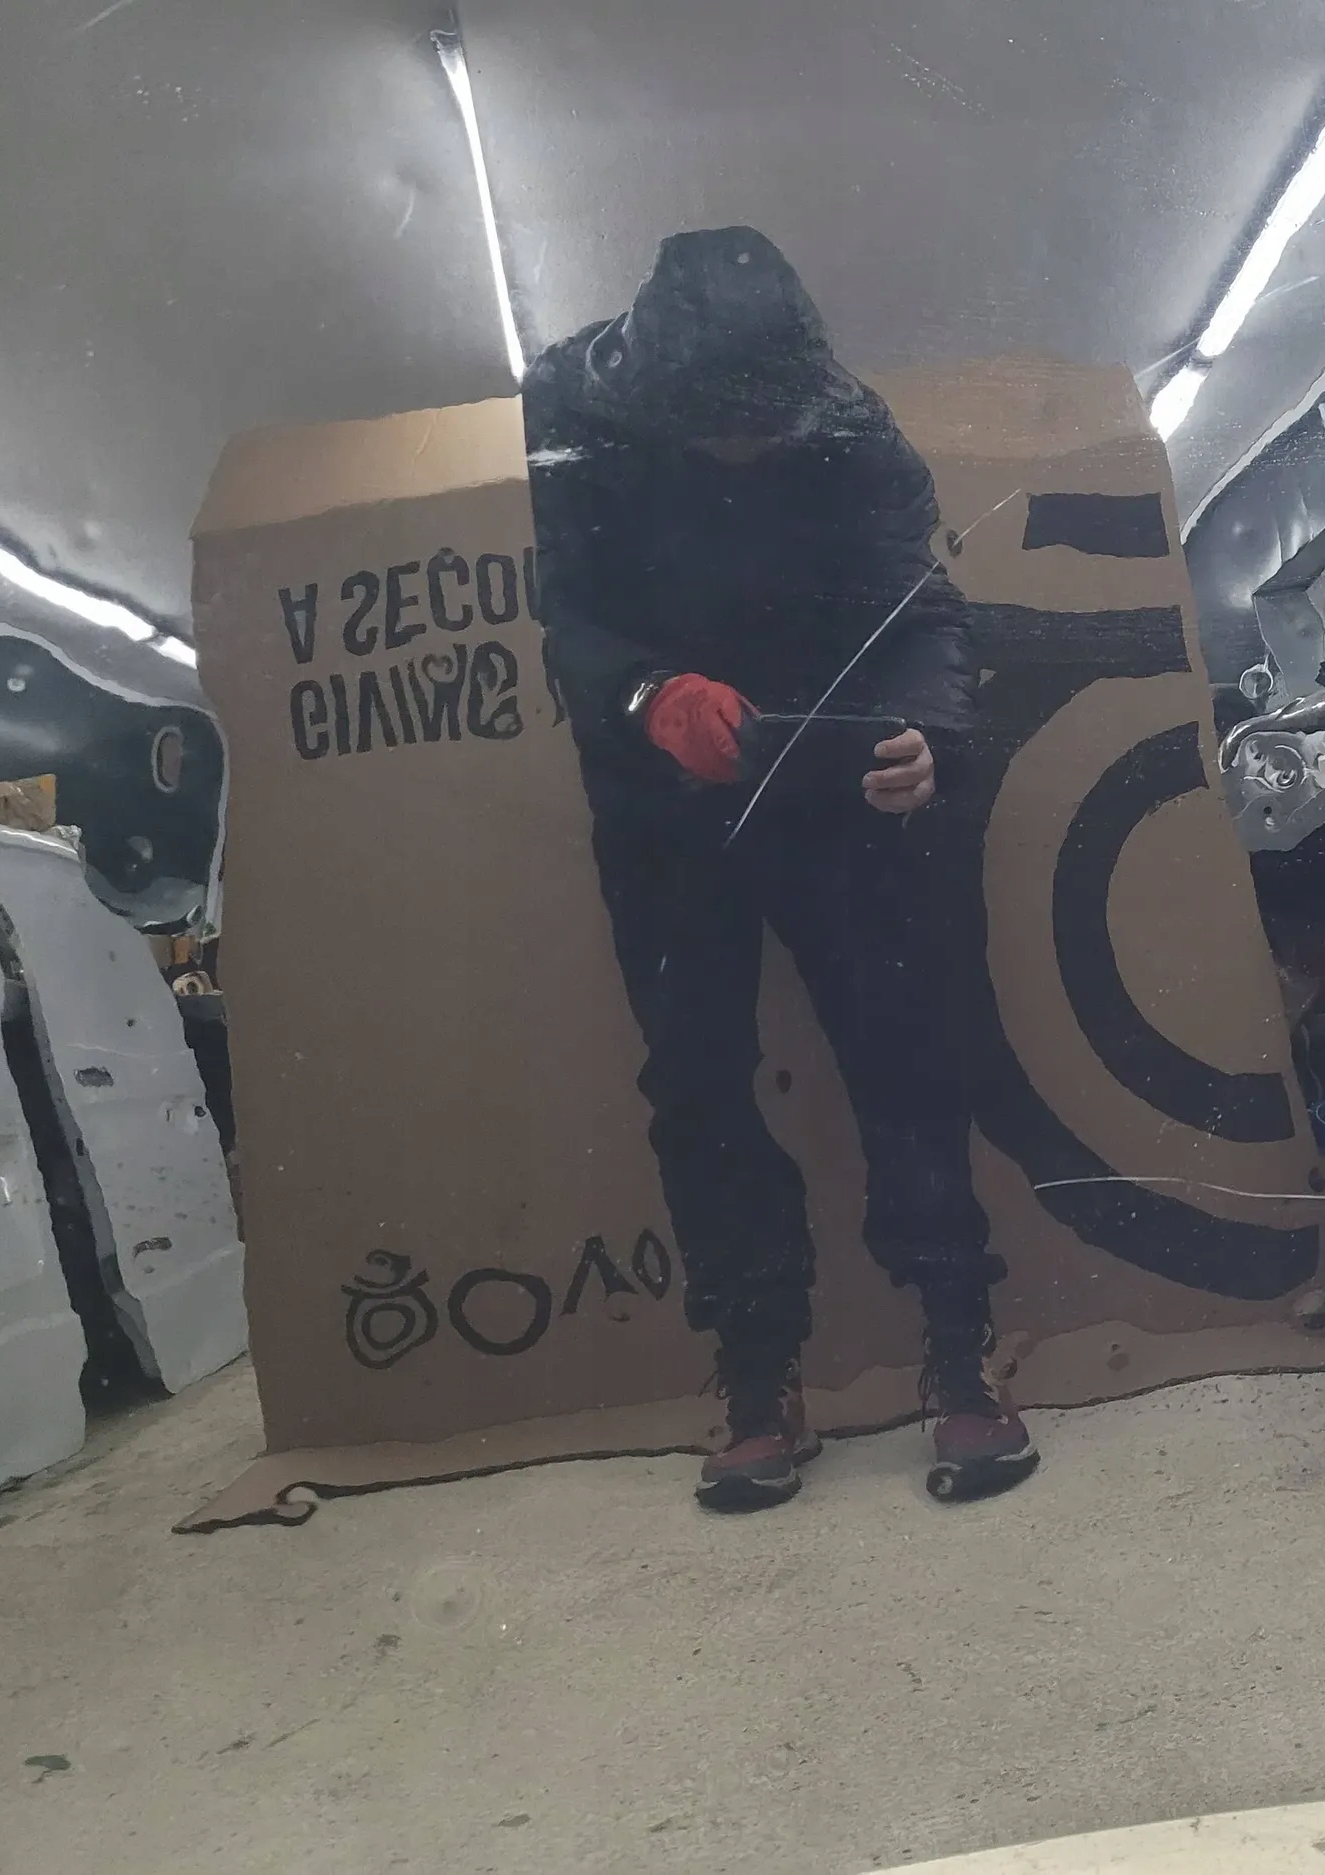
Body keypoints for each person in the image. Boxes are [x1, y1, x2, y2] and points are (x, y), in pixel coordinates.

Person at [524, 226, 1034, 1510]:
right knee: (693, 1076)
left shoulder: (854, 435)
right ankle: (756, 1369)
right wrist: (646, 696)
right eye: (725, 436)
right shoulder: (569, 416)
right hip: (657, 790)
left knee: (904, 1046)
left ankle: (957, 1339)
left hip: (828, 771)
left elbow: (921, 612)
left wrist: (931, 736)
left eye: (769, 433)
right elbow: (565, 612)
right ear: (663, 405)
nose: (750, 452)